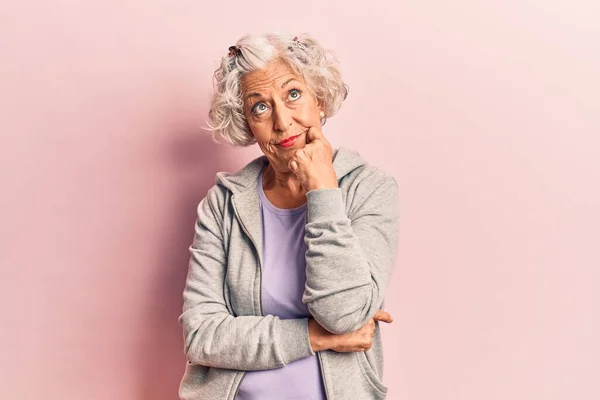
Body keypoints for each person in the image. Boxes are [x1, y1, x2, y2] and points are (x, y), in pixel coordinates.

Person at [178, 32, 400, 400]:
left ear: (320, 100)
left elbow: (342, 314)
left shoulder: (370, 189)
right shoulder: (223, 203)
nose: (282, 121)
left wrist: (323, 190)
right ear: (248, 123)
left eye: (293, 94)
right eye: (260, 107)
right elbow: (202, 335)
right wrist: (313, 337)